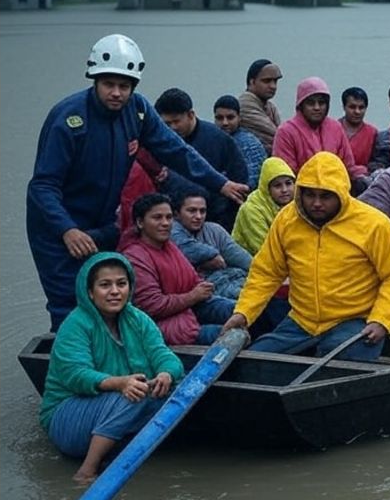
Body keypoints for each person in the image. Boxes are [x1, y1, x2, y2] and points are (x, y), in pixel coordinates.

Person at [26, 33, 249, 330]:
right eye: (109, 84)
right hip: (58, 226)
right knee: (68, 305)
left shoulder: (138, 111)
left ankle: (112, 361)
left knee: (111, 298)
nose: (117, 93)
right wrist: (67, 230)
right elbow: (42, 186)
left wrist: (220, 183)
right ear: (95, 80)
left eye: (124, 86)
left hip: (103, 221)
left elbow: (177, 151)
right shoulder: (69, 120)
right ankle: (65, 366)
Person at [220, 152, 390, 362]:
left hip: (355, 320)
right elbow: (266, 272)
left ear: (342, 193)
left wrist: (382, 320)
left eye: (325, 196)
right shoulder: (286, 219)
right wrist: (243, 313)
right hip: (302, 321)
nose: (316, 203)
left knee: (341, 370)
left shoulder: (375, 224)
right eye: (310, 195)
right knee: (254, 363)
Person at [39, 252, 185, 485]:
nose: (115, 291)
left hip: (115, 405)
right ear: (90, 292)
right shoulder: (75, 325)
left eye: (121, 284)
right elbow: (76, 375)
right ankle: (87, 470)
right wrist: (120, 382)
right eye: (105, 285)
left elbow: (163, 354)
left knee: (174, 390)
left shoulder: (138, 319)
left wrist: (165, 373)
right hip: (67, 417)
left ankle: (118, 452)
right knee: (134, 395)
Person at [121, 193, 235, 346]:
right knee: (233, 335)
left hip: (190, 308)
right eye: (157, 218)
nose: (165, 223)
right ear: (140, 222)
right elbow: (152, 306)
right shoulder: (134, 257)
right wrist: (193, 296)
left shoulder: (170, 247)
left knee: (242, 312)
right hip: (163, 324)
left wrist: (201, 288)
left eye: (169, 218)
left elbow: (193, 279)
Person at [155, 87, 249, 232]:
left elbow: (239, 181)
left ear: (191, 115)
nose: (171, 128)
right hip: (170, 222)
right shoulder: (159, 141)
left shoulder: (219, 139)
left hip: (214, 222)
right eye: (166, 124)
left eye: (176, 121)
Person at [272, 76, 364, 184]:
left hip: (336, 192)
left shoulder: (336, 128)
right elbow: (286, 176)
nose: (317, 107)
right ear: (301, 105)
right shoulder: (286, 132)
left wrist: (363, 177)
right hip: (302, 194)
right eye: (311, 103)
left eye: (321, 103)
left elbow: (348, 167)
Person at [170, 188, 252, 300]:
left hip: (236, 279)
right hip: (210, 291)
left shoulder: (214, 230)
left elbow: (243, 259)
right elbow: (190, 251)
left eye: (202, 211)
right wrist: (212, 256)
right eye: (192, 211)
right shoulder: (171, 230)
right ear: (176, 214)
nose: (198, 216)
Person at [231, 156, 295, 256]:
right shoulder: (251, 210)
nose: (284, 190)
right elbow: (264, 250)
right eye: (277, 185)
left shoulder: (297, 205)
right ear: (267, 188)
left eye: (288, 183)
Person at [212, 93, 267, 191]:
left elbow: (253, 180)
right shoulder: (211, 140)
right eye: (219, 118)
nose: (225, 123)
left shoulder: (250, 143)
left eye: (230, 117)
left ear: (239, 118)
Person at [238, 59, 284, 152]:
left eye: (275, 81)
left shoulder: (270, 106)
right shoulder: (245, 104)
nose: (273, 86)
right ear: (252, 82)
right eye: (266, 81)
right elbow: (278, 138)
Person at [340, 86, 378, 173]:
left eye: (361, 107)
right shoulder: (333, 129)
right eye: (352, 107)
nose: (357, 111)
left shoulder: (373, 133)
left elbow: (375, 163)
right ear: (344, 107)